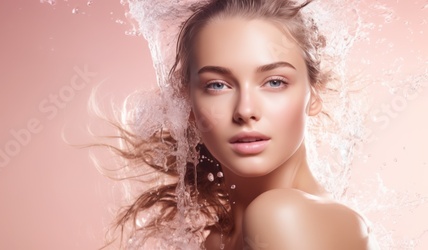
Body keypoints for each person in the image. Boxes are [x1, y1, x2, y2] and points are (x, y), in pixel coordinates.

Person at [94, 0, 379, 249]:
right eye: (217, 85)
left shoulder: (282, 217)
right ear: (187, 105)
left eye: (274, 82)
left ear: (313, 94)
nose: (245, 110)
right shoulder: (219, 238)